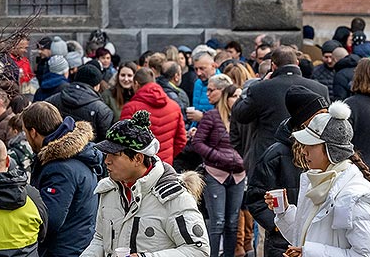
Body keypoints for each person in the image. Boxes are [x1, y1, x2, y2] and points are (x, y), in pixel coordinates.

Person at [265, 100, 370, 257]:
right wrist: (284, 211)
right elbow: (306, 236)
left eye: (311, 145)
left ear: (330, 149)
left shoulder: (354, 197)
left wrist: (308, 253)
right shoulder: (318, 185)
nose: (304, 151)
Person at [81, 111, 209, 257]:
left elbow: (198, 251)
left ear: (137, 158)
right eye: (106, 154)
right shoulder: (109, 189)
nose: (107, 161)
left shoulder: (175, 198)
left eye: (114, 155)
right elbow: (100, 239)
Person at [246, 86, 328, 257]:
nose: (325, 120)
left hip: (319, 240)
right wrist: (278, 224)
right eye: (320, 115)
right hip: (282, 242)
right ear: (305, 121)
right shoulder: (276, 154)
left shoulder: (329, 150)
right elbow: (256, 197)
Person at [22, 102, 103, 257]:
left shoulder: (59, 169)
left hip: (64, 251)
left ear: (33, 132)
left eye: (25, 131)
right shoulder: (69, 156)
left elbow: (49, 219)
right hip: (78, 245)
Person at [233, 46, 329, 173]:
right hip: (308, 156)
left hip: (267, 155)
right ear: (297, 63)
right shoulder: (320, 88)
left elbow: (240, 115)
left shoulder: (260, 89)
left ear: (273, 66)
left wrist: (258, 83)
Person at [190, 75, 246, 257]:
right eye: (234, 96)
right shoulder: (212, 116)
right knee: (218, 222)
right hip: (215, 173)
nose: (238, 100)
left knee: (232, 221)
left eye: (240, 96)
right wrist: (216, 156)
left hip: (238, 174)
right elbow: (197, 142)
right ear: (226, 98)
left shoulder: (244, 119)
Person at [121, 67, 187, 164]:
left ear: (136, 84)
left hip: (138, 166)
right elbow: (181, 140)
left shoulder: (131, 108)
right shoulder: (174, 106)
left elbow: (123, 140)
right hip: (165, 165)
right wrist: (168, 155)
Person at [45, 62, 115, 141]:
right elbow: (105, 141)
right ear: (97, 86)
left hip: (55, 149)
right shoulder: (103, 111)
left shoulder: (52, 100)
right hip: (89, 152)